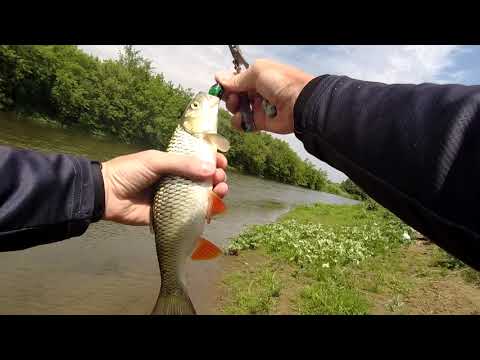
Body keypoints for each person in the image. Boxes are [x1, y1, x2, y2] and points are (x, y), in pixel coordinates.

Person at [1, 59, 479, 271]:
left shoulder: (204, 137)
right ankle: (176, 280)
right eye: (197, 103)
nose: (201, 100)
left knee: (210, 198)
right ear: (194, 121)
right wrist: (99, 186)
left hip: (148, 197)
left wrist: (100, 185)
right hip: (164, 197)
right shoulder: (194, 137)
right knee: (210, 200)